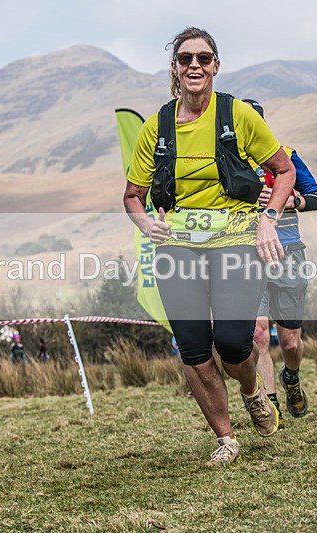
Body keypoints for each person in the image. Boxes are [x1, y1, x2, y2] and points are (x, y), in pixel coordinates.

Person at [123, 27, 296, 464]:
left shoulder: (238, 116)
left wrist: (268, 220)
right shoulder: (157, 127)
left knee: (235, 342)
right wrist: (146, 224)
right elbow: (132, 196)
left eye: (203, 58)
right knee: (195, 350)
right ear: (175, 68)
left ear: (216, 65)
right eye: (185, 59)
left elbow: (285, 170)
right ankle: (226, 439)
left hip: (236, 239)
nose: (194, 65)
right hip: (178, 247)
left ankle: (252, 390)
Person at [243, 99, 317, 424]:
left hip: (289, 253)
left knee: (290, 342)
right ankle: (271, 404)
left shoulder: (286, 155)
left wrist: (291, 200)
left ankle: (291, 377)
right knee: (258, 334)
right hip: (248, 256)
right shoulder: (229, 163)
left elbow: (316, 198)